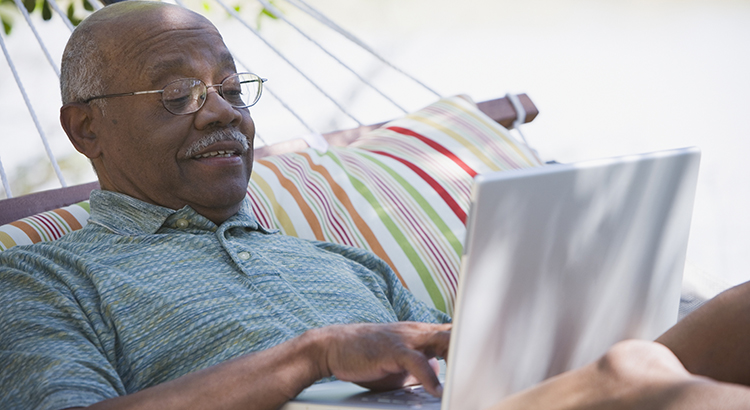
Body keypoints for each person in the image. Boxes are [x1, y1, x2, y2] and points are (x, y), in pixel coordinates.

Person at [0, 2, 450, 409]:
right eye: (177, 95)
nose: (223, 112)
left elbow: (473, 356)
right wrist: (313, 355)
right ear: (86, 129)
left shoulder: (351, 266)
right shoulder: (40, 281)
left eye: (232, 90)